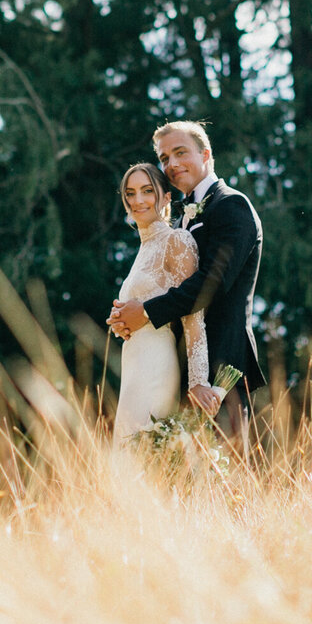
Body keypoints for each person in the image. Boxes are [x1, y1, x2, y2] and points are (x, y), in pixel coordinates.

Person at [109, 121, 266, 441]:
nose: (172, 164)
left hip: (221, 366)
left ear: (206, 154)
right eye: (165, 158)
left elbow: (214, 283)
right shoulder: (180, 221)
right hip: (177, 367)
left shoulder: (232, 206)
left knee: (225, 476)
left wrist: (148, 312)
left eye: (181, 153)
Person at [109, 162, 207, 446]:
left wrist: (198, 381)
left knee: (143, 448)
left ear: (166, 197)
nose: (137, 200)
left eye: (147, 191)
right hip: (133, 366)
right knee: (127, 448)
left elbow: (193, 312)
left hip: (157, 365)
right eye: (130, 192)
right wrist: (120, 322)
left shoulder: (176, 240)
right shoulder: (143, 248)